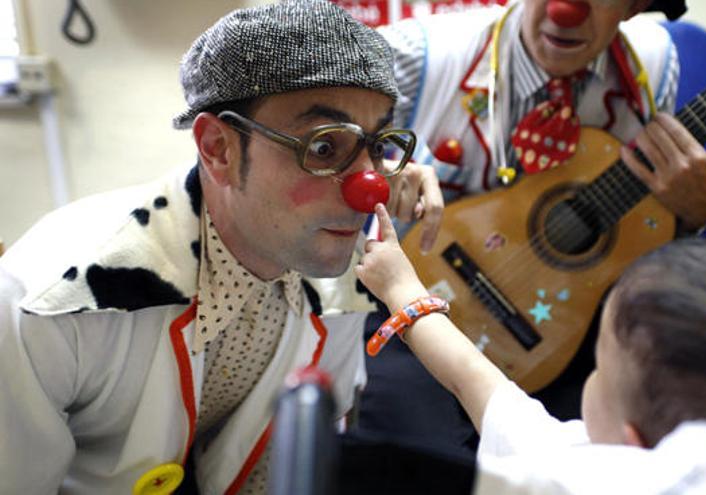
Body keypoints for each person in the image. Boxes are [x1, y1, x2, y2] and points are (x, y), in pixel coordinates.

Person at [0, 1, 443, 493]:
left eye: (379, 146)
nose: (371, 187)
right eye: (323, 146)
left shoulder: (342, 289)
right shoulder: (51, 299)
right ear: (218, 149)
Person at [356, 0, 706, 449]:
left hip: (559, 328)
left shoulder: (654, 64)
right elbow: (316, 150)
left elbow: (645, 224)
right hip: (414, 300)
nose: (565, 11)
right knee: (414, 460)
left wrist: (690, 213)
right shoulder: (420, 53)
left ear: (635, 8)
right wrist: (377, 170)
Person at [356, 203, 706, 494]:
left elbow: (473, 378)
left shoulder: (578, 475)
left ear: (633, 451)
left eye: (599, 370)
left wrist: (399, 288)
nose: (591, 378)